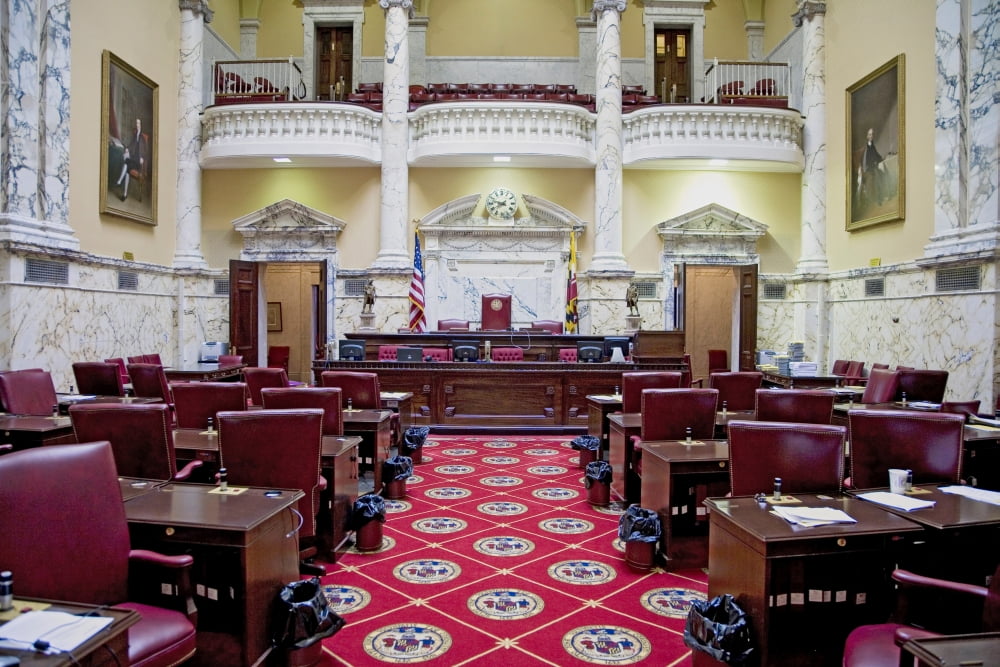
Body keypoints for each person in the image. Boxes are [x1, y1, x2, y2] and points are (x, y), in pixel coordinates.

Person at [115, 118, 148, 201]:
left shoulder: (143, 137)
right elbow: (131, 144)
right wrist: (127, 149)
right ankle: (124, 193)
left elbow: (146, 151)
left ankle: (119, 181)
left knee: (126, 164)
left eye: (138, 124)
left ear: (141, 125)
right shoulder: (135, 135)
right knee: (127, 167)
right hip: (133, 158)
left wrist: (143, 158)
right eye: (136, 123)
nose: (137, 125)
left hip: (138, 162)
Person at [856, 127, 885, 210]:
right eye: (870, 134)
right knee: (874, 178)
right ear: (867, 136)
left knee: (881, 174)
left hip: (872, 168)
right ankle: (876, 200)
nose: (871, 136)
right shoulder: (866, 148)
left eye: (872, 134)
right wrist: (871, 166)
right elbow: (865, 161)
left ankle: (881, 196)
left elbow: (876, 155)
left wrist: (881, 159)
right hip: (867, 170)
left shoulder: (872, 146)